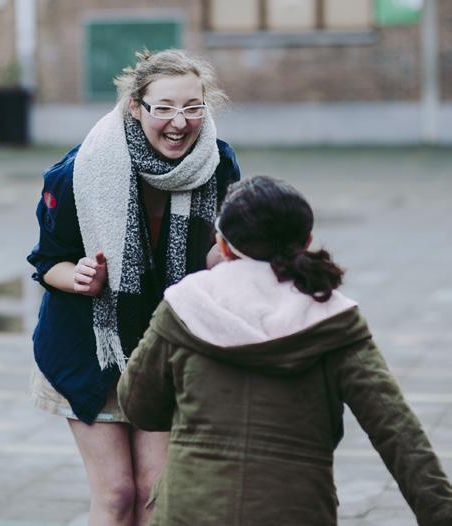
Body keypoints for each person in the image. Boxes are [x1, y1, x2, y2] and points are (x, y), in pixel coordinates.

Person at [117, 175, 452, 526]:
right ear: (306, 242)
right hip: (296, 509)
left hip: (192, 509)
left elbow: (139, 405)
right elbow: (397, 431)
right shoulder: (332, 319)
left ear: (224, 245)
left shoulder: (185, 305)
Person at [26, 48, 240, 526]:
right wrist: (78, 277)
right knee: (117, 494)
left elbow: (210, 254)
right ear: (135, 107)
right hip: (89, 348)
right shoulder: (78, 173)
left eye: (192, 107)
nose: (179, 121)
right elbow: (46, 262)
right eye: (163, 107)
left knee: (154, 494)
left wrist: (237, 259)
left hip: (167, 347)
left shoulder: (218, 164)